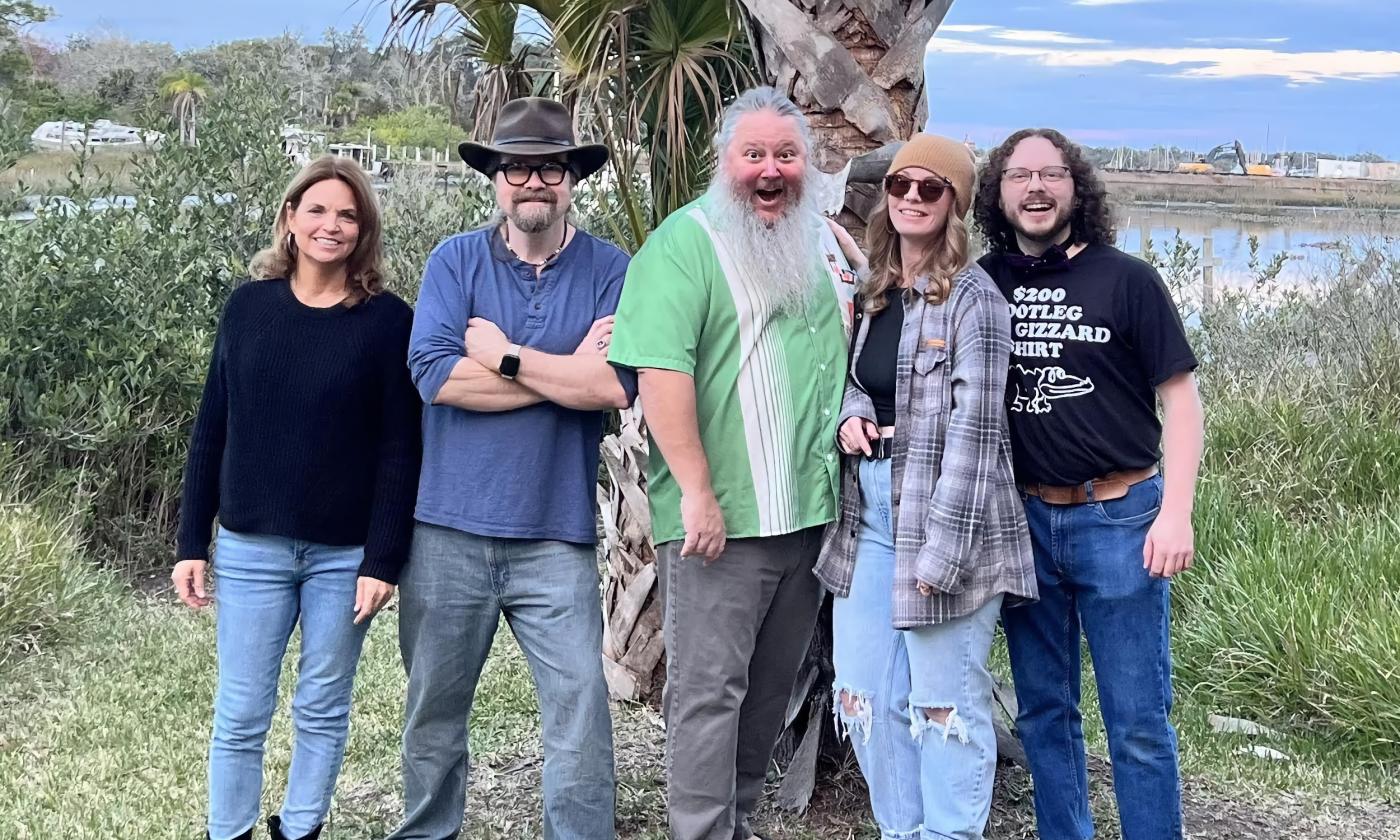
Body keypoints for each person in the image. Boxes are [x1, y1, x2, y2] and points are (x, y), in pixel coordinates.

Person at [607, 86, 853, 840]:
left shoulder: (822, 242)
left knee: (766, 692)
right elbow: (661, 374)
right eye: (755, 155)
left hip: (807, 517)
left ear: (808, 165)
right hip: (721, 522)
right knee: (708, 696)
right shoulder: (684, 244)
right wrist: (697, 494)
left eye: (786, 155)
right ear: (725, 161)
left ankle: (736, 822)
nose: (770, 170)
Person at [391, 96, 634, 840]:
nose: (534, 182)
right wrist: (561, 376)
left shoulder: (611, 268)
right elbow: (437, 376)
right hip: (445, 533)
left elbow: (613, 386)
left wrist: (502, 354)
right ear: (496, 177)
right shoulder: (453, 260)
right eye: (518, 167)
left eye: (550, 167)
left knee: (579, 711)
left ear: (571, 179)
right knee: (434, 712)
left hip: (555, 534)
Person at [172, 155, 422, 840]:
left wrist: (384, 559)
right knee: (242, 709)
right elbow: (212, 427)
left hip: (345, 557)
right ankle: (229, 831)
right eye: (316, 210)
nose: (330, 226)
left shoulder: (387, 322)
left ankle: (301, 828)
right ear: (289, 218)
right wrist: (193, 541)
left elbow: (402, 448)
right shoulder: (249, 308)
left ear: (363, 231)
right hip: (252, 545)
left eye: (347, 215)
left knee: (322, 705)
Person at [973, 128, 1204, 840]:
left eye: (1051, 174)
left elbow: (1182, 399)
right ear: (999, 192)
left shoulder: (1126, 279)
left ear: (1077, 187)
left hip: (1121, 519)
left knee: (1136, 721)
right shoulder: (985, 281)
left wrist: (1176, 512)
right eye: (1019, 176)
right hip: (1025, 524)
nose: (1035, 188)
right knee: (1044, 712)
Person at [815, 133, 1036, 840]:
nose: (911, 197)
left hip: (948, 521)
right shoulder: (880, 287)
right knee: (863, 697)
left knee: (943, 709)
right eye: (901, 186)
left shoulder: (976, 300)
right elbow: (860, 384)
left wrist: (943, 556)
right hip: (870, 516)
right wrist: (853, 418)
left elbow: (978, 435)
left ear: (955, 204)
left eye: (930, 189)